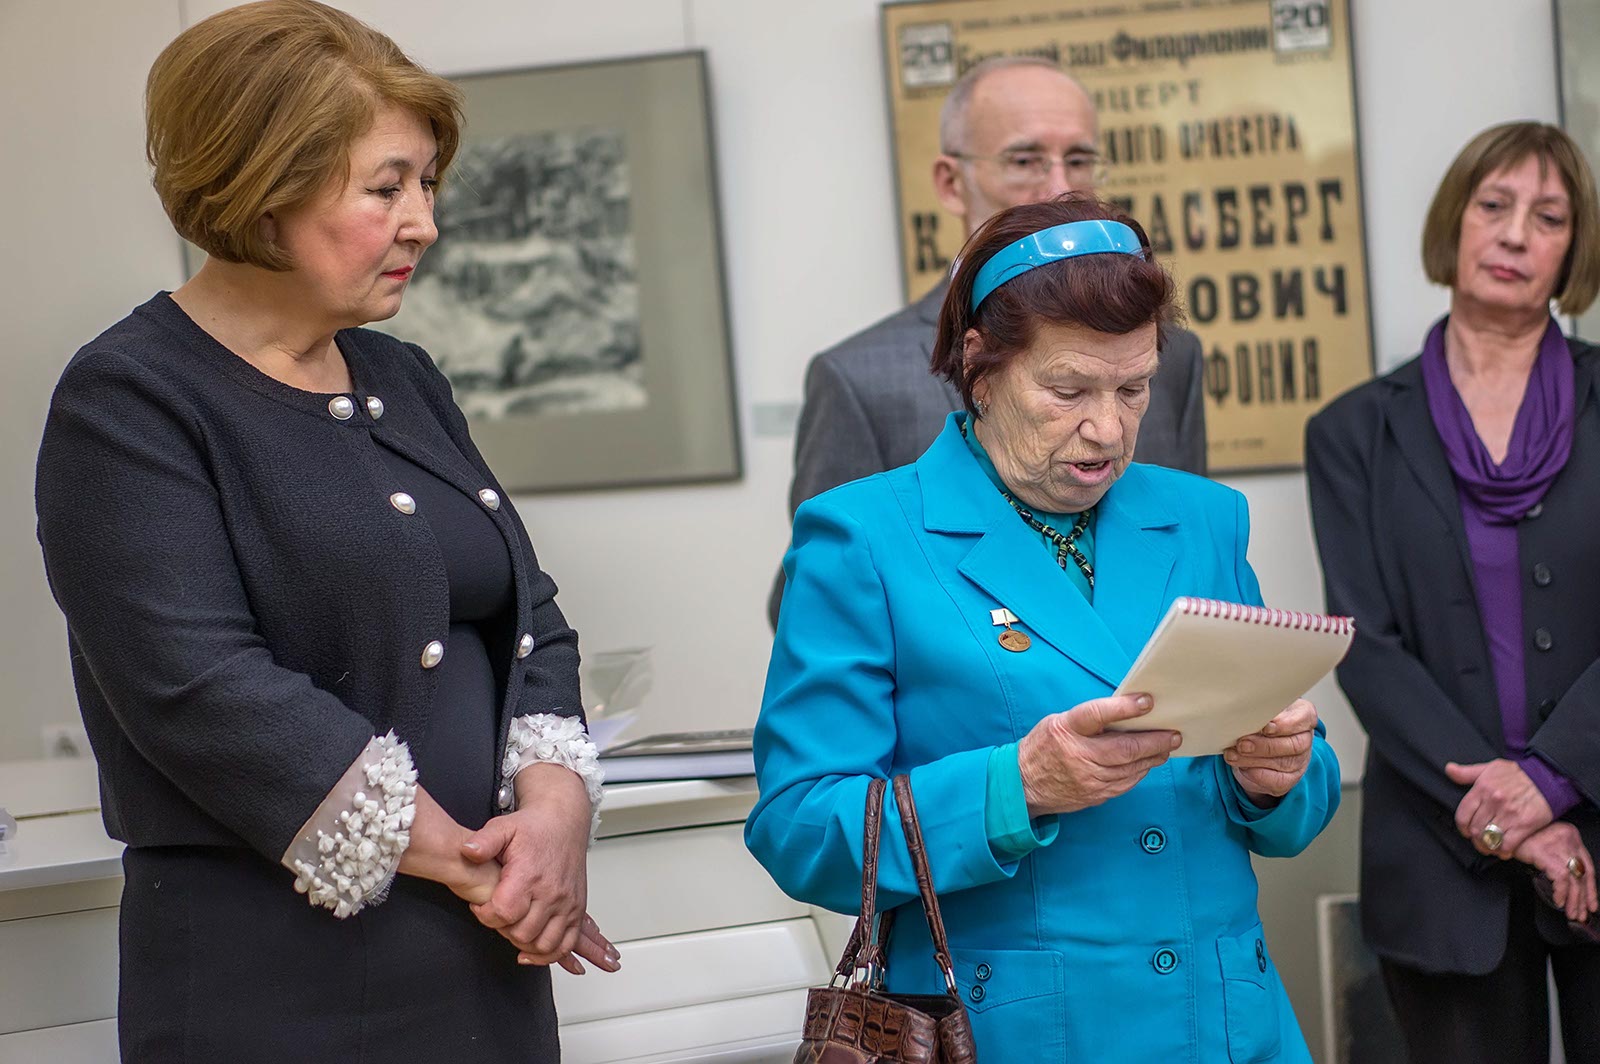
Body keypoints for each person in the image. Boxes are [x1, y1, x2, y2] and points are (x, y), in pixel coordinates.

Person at [33, 3, 617, 1059]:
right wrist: (477, 862)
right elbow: (197, 687)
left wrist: (556, 809)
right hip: (269, 983)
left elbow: (531, 616)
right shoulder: (128, 397)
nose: (423, 222)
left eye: (427, 183)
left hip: (482, 967)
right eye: (386, 188)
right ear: (262, 190)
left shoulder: (404, 375)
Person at [747, 194, 1340, 1061]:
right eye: (1068, 390)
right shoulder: (865, 537)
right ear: (979, 367)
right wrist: (1015, 788)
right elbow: (799, 829)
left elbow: (1297, 801)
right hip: (1017, 1030)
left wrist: (1280, 774)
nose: (1108, 428)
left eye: (1134, 388)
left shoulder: (1202, 519)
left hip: (1224, 1023)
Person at [1306, 121, 1600, 1064]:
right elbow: (1366, 646)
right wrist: (1515, 819)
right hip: (1438, 864)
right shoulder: (1351, 434)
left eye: (1548, 217)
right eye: (1494, 205)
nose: (1515, 234)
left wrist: (1552, 780)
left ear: (1574, 249)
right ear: (1454, 223)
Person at [769, 55, 1208, 627]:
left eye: (1079, 159)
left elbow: (1188, 557)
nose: (1060, 185)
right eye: (1024, 161)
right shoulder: (861, 381)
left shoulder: (1175, 356)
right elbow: (816, 604)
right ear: (951, 182)